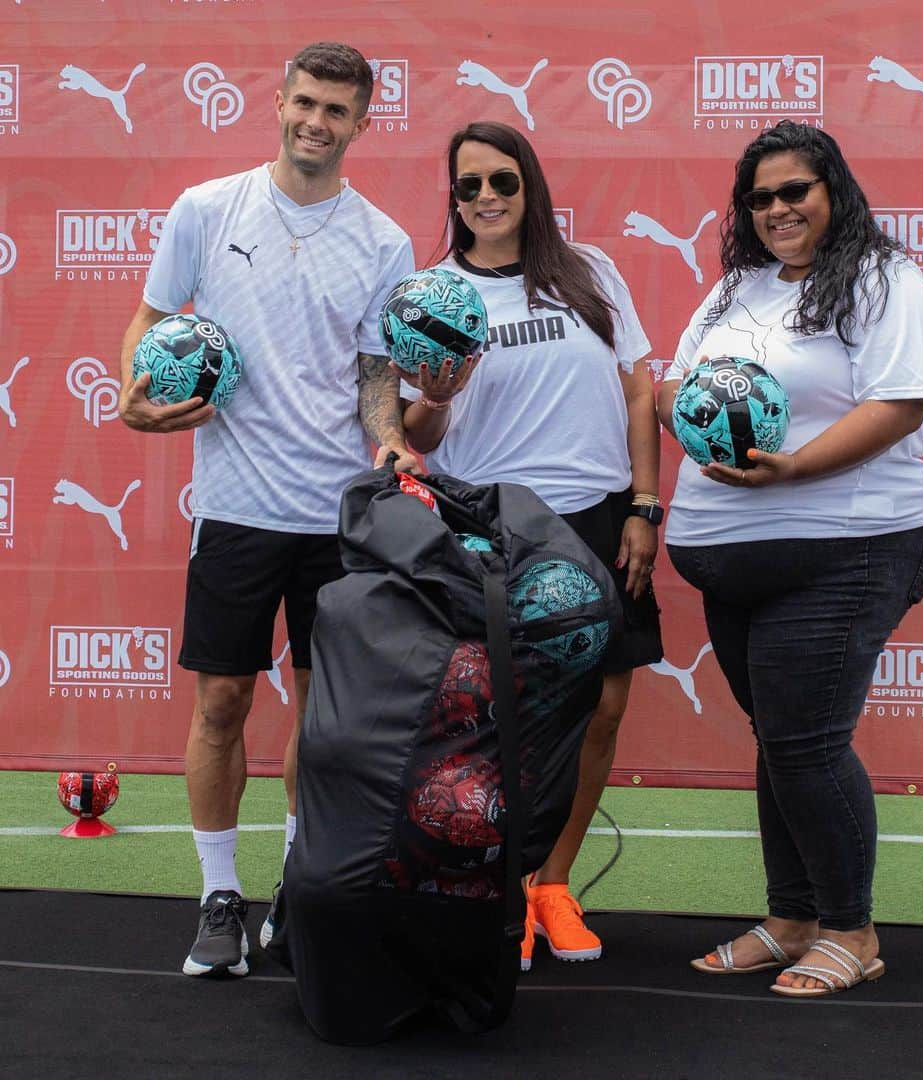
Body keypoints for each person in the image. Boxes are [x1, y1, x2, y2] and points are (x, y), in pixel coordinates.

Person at [117, 42, 416, 978]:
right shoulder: (206, 210)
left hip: (336, 517)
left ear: (363, 124)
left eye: (337, 110)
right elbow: (152, 318)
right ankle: (218, 896)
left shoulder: (384, 240)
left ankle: (297, 884)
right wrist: (135, 389)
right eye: (306, 103)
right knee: (223, 703)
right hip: (236, 507)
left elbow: (375, 374)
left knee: (325, 717)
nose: (316, 122)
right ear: (279, 101)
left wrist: (391, 436)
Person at [658, 121, 923, 997]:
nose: (779, 208)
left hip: (844, 549)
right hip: (728, 555)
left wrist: (791, 466)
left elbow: (898, 404)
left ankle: (850, 932)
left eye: (796, 191)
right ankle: (792, 919)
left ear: (834, 192)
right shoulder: (733, 290)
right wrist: (705, 406)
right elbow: (673, 383)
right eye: (762, 197)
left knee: (807, 744)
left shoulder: (883, 277)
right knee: (780, 741)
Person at [397, 120, 663, 970]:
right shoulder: (431, 293)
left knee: (602, 710)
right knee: (495, 720)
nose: (485, 199)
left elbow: (637, 390)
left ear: (529, 187)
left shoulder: (589, 275)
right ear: (454, 198)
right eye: (468, 186)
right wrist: (440, 393)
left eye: (501, 182)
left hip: (594, 515)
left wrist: (645, 507)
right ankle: (496, 887)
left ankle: (554, 882)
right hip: (488, 524)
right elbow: (419, 430)